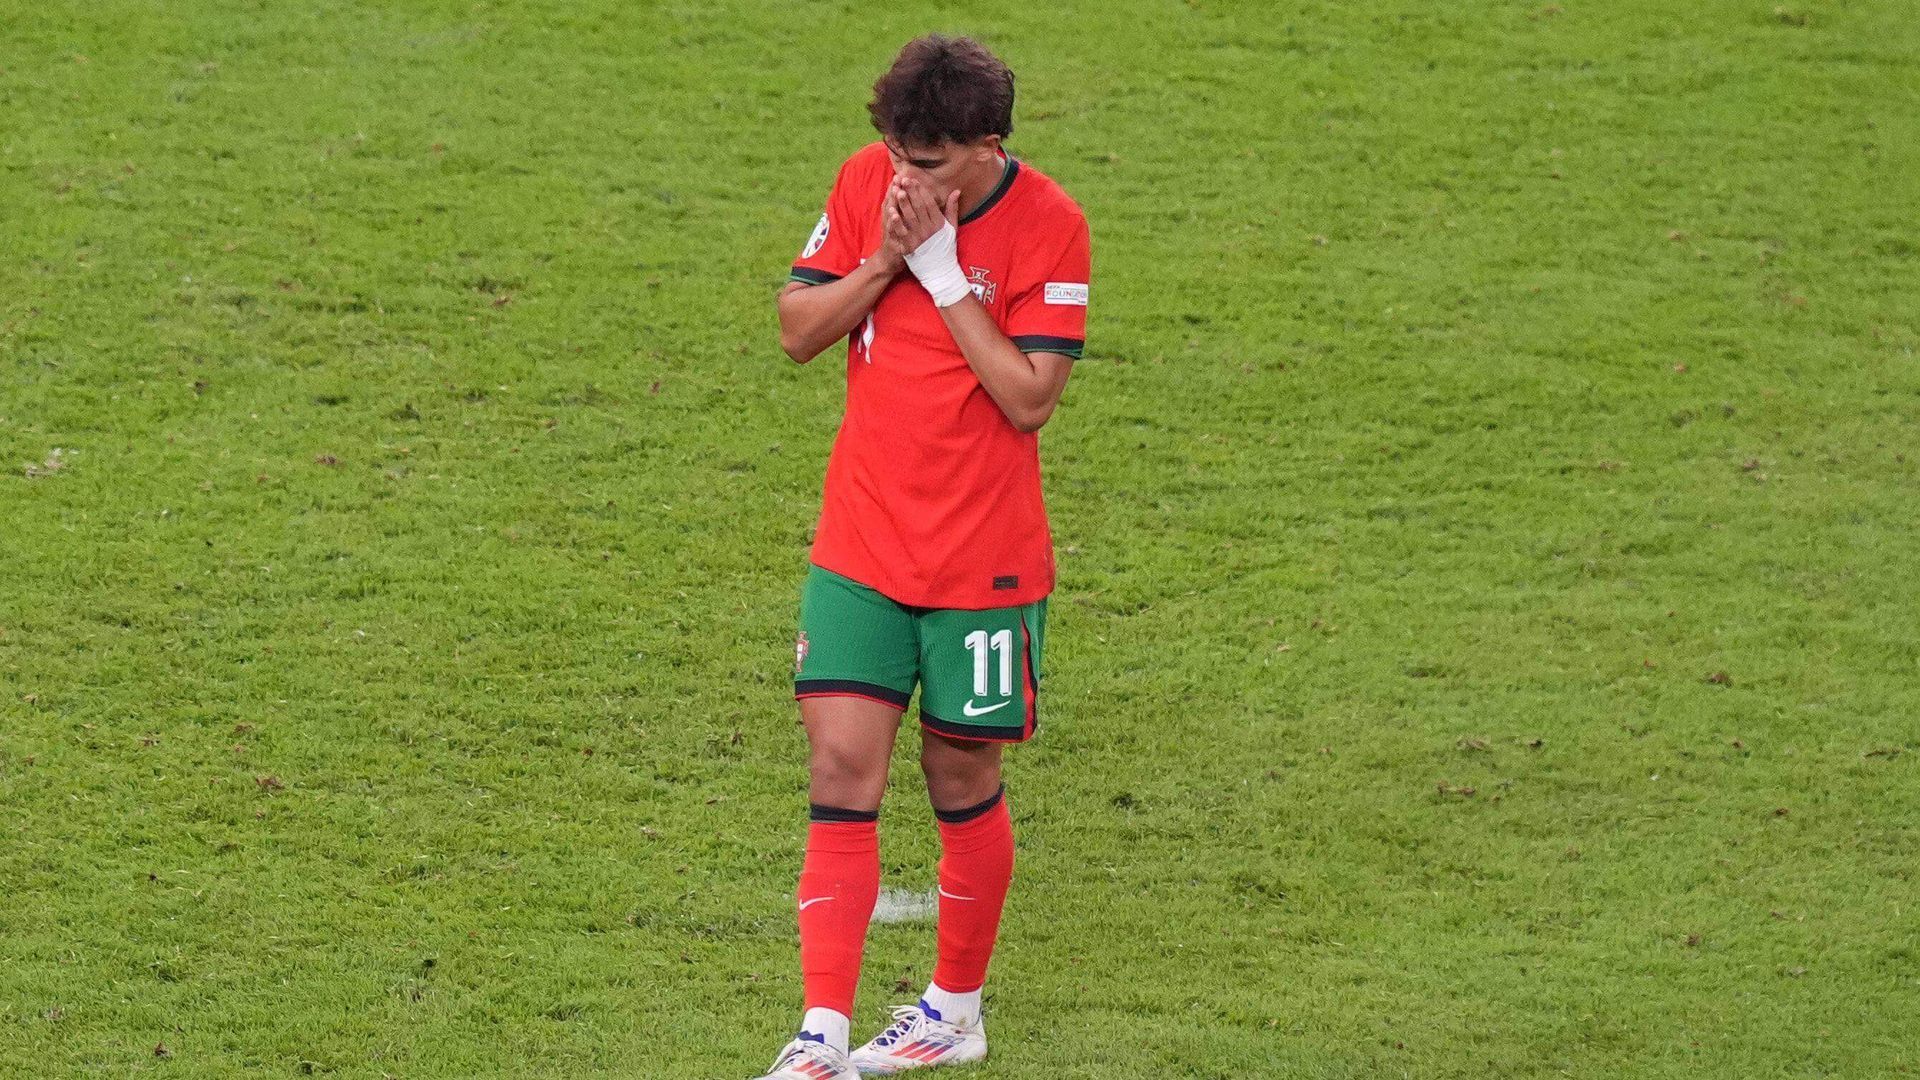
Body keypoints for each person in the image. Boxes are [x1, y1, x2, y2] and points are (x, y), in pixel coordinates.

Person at [757, 32, 1091, 1080]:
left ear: (988, 146)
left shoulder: (1051, 225)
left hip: (982, 565)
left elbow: (1029, 397)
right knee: (838, 766)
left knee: (961, 775)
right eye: (898, 154)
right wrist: (886, 257)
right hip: (861, 541)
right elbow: (799, 328)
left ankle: (953, 1009)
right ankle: (818, 1035)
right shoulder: (870, 183)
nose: (907, 177)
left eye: (932, 163)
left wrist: (946, 278)